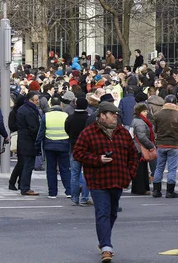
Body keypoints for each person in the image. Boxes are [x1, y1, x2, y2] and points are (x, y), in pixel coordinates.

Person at [73, 102, 138, 263]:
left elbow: (133, 155)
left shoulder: (122, 132)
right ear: (102, 115)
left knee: (112, 212)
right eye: (112, 113)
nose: (115, 116)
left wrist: (130, 174)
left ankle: (103, 240)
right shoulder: (89, 133)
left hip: (118, 179)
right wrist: (98, 159)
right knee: (102, 212)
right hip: (98, 180)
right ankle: (107, 248)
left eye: (116, 113)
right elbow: (78, 153)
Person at [35, 97, 71, 198]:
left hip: (49, 145)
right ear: (60, 104)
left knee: (51, 170)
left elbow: (41, 132)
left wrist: (37, 145)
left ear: (51, 104)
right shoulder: (65, 115)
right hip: (64, 144)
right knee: (65, 169)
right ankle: (69, 191)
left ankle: (52, 192)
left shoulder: (46, 116)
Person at [65, 97, 92, 205]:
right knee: (86, 174)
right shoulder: (88, 119)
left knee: (74, 174)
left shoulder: (70, 118)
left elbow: (67, 129)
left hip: (74, 148)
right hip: (86, 149)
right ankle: (84, 197)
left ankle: (74, 197)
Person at [151, 94, 178, 198]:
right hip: (174, 144)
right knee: (172, 168)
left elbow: (155, 130)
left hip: (161, 143)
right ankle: (170, 191)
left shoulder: (158, 114)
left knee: (159, 167)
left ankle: (156, 190)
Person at [16, 91, 42, 196]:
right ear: (30, 100)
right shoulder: (29, 111)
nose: (38, 102)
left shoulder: (22, 109)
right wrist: (37, 139)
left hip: (23, 140)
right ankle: (25, 187)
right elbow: (33, 128)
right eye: (36, 100)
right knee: (28, 165)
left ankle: (23, 186)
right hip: (28, 142)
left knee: (25, 164)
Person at [131, 102, 155, 195]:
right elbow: (142, 137)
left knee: (140, 168)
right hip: (140, 147)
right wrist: (151, 145)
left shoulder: (137, 120)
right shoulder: (140, 122)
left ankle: (138, 188)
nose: (146, 113)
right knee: (141, 169)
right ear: (139, 112)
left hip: (137, 147)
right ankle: (141, 189)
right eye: (144, 111)